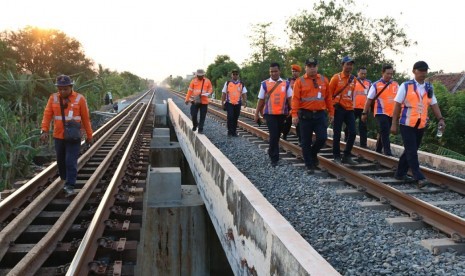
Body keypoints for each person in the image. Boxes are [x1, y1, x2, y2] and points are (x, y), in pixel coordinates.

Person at [390, 61, 446, 188]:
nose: (423, 73)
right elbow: (397, 105)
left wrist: (441, 119)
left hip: (420, 124)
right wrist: (394, 124)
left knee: (411, 150)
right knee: (411, 151)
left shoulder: (429, 88)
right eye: (420, 70)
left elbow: (433, 104)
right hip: (406, 123)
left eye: (425, 71)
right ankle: (419, 177)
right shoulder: (406, 86)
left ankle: (400, 174)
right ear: (414, 71)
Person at [40, 75, 93, 196]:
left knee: (70, 161)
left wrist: (89, 135)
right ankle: (65, 179)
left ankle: (70, 185)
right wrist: (44, 130)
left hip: (74, 136)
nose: (62, 91)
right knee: (61, 161)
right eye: (60, 89)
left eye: (65, 89)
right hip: (59, 136)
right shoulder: (53, 98)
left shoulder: (80, 99)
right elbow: (47, 115)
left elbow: (85, 119)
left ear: (71, 87)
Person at [291, 58, 334, 174]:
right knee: (305, 142)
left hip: (320, 115)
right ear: (305, 68)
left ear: (317, 67)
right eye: (309, 66)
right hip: (305, 115)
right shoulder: (299, 81)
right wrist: (294, 115)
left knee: (322, 138)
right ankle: (309, 165)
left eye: (314, 66)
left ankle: (313, 153)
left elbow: (328, 98)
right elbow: (295, 99)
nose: (312, 68)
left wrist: (331, 112)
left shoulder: (324, 80)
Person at [254, 62, 292, 167]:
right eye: (271, 71)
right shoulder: (264, 84)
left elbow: (290, 99)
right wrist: (256, 113)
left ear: (279, 71)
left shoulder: (286, 83)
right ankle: (274, 157)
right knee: (274, 134)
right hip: (269, 114)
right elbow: (260, 100)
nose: (273, 73)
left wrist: (293, 110)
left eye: (275, 71)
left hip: (282, 114)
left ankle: (273, 153)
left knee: (277, 135)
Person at [361, 64, 398, 156]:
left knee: (384, 131)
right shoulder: (376, 85)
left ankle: (377, 150)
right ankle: (387, 152)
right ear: (382, 73)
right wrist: (364, 113)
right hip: (380, 112)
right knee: (385, 130)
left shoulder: (396, 85)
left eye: (391, 74)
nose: (389, 76)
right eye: (387, 73)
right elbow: (369, 100)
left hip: (391, 113)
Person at [329, 56, 358, 164]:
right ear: (343, 65)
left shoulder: (354, 79)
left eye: (351, 64)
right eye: (347, 64)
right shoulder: (336, 78)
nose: (349, 67)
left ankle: (346, 155)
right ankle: (336, 156)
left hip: (349, 108)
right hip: (338, 108)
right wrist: (331, 111)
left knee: (353, 132)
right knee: (337, 133)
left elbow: (352, 95)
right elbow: (329, 95)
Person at [344, 67, 371, 148]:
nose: (363, 75)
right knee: (349, 125)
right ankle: (346, 140)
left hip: (363, 108)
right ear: (358, 73)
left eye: (365, 73)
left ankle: (363, 145)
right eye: (362, 73)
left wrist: (368, 109)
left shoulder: (369, 83)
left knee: (363, 127)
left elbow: (371, 96)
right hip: (353, 107)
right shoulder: (353, 81)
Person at [184, 69, 213, 134]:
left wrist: (209, 93)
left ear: (203, 75)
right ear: (197, 75)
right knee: (193, 114)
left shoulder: (207, 81)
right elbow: (189, 91)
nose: (200, 77)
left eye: (201, 75)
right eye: (199, 76)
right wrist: (187, 99)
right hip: (195, 101)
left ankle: (200, 129)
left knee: (203, 116)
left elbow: (210, 88)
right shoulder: (193, 81)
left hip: (204, 101)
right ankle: (195, 125)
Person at [221, 69, 247, 137]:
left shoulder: (241, 84)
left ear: (238, 75)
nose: (235, 75)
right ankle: (229, 131)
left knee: (235, 117)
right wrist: (222, 102)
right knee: (230, 117)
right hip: (229, 103)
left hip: (238, 103)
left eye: (236, 74)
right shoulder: (228, 83)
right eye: (233, 74)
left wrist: (245, 101)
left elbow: (244, 93)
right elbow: (224, 93)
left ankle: (234, 132)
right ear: (231, 75)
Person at [282, 64, 301, 141]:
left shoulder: (301, 80)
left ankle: (300, 139)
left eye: (295, 71)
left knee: (299, 123)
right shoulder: (288, 81)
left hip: (299, 105)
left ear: (299, 72)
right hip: (289, 104)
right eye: (293, 71)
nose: (294, 73)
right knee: (288, 122)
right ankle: (284, 135)